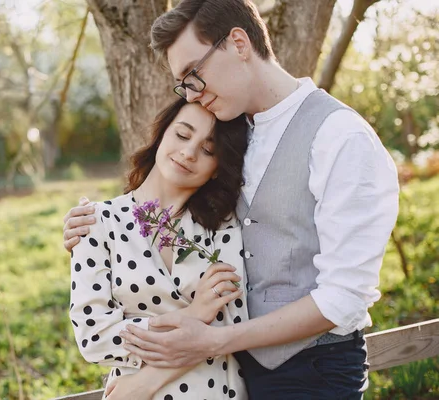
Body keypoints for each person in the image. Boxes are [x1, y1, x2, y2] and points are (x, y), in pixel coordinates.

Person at [63, 0, 400, 398]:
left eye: (194, 73)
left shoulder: (341, 137)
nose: (192, 92)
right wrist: (92, 224)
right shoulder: (232, 130)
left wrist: (209, 343)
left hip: (314, 371)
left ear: (238, 43)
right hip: (240, 374)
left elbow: (344, 297)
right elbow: (160, 207)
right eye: (183, 83)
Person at [69, 98, 251, 399]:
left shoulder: (223, 223)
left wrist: (147, 381)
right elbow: (95, 337)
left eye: (208, 150)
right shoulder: (97, 222)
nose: (188, 153)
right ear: (162, 134)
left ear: (218, 168)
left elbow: (234, 323)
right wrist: (196, 315)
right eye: (182, 134)